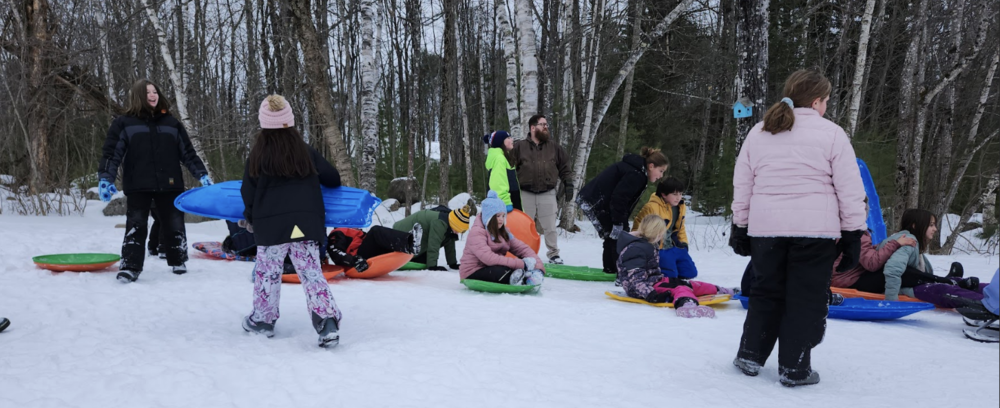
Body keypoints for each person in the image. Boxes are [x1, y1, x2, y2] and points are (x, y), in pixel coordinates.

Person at [729, 69, 867, 387]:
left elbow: (743, 182)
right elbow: (849, 189)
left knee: (765, 292)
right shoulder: (832, 134)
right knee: (805, 297)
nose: (826, 106)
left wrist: (741, 225)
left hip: (766, 230)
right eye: (826, 100)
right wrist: (853, 234)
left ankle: (750, 355)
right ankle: (795, 367)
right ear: (817, 101)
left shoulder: (759, 132)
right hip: (814, 233)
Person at [239, 95, 342, 348]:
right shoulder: (304, 151)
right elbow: (333, 178)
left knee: (268, 273)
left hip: (271, 225)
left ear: (264, 124)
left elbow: (247, 192)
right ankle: (326, 321)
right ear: (290, 122)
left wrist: (250, 218)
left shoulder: (258, 155)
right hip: (305, 224)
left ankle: (262, 320)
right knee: (310, 272)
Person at [98, 79, 211, 283]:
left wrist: (201, 174)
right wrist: (106, 178)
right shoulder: (124, 123)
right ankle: (130, 266)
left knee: (174, 222)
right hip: (138, 184)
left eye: (155, 91)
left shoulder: (171, 123)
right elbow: (111, 153)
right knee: (136, 225)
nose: (153, 95)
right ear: (139, 96)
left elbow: (187, 153)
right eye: (148, 92)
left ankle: (178, 260)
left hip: (169, 183)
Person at [843, 209, 981, 305]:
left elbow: (865, 253)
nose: (935, 229)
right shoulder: (855, 232)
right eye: (931, 225)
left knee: (908, 271)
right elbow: (873, 264)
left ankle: (947, 280)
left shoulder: (857, 232)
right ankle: (949, 282)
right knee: (905, 272)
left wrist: (889, 244)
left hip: (857, 276)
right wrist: (891, 301)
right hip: (850, 281)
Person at [618, 215, 733, 318]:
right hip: (643, 289)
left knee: (686, 283)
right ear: (657, 233)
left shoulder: (646, 245)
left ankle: (721, 290)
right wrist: (651, 294)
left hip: (654, 281)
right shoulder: (636, 249)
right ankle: (687, 306)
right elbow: (635, 278)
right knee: (680, 288)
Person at [577, 147, 669, 274]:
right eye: (661, 171)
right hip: (597, 201)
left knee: (614, 236)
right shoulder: (637, 174)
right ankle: (618, 271)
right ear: (651, 166)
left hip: (599, 201)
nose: (661, 176)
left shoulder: (637, 171)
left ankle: (611, 269)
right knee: (620, 236)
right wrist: (619, 222)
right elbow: (619, 198)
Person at [511, 114, 574, 264]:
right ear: (533, 128)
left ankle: (553, 254)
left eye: (546, 124)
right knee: (523, 227)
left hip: (547, 193)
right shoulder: (519, 146)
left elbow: (565, 167)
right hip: (525, 193)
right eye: (542, 124)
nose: (546, 127)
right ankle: (522, 253)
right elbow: (510, 168)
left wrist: (568, 184)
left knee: (550, 227)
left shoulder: (554, 147)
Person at [459, 191, 545, 285]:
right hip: (473, 271)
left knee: (507, 268)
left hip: (492, 267)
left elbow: (522, 248)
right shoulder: (477, 233)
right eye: (497, 216)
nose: (501, 219)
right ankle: (519, 278)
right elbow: (489, 258)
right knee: (503, 271)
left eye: (503, 216)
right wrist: (522, 264)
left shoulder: (503, 232)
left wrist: (538, 267)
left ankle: (526, 277)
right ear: (489, 217)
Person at [633, 177, 696, 279]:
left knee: (690, 273)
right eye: (674, 194)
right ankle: (653, 269)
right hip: (659, 248)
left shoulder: (680, 206)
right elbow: (638, 228)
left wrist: (684, 244)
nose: (678, 197)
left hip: (674, 246)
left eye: (680, 194)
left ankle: (667, 266)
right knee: (670, 276)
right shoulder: (651, 207)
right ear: (664, 194)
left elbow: (680, 227)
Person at [393, 205, 471, 271]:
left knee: (424, 259)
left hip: (415, 237)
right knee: (423, 261)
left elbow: (449, 241)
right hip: (400, 235)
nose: (457, 232)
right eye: (457, 230)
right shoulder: (439, 222)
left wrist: (453, 264)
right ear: (454, 224)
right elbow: (434, 244)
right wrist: (432, 266)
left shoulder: (448, 221)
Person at [327, 226, 417, 272]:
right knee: (375, 231)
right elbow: (336, 253)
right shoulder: (338, 232)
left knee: (383, 240)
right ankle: (408, 242)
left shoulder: (356, 230)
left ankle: (412, 249)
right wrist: (354, 260)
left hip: (364, 256)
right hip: (357, 262)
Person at [483, 131, 520, 212]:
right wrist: (505, 203)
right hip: (506, 206)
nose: (512, 140)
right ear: (501, 142)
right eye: (508, 138)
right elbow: (498, 183)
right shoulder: (499, 159)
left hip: (512, 202)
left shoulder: (503, 157)